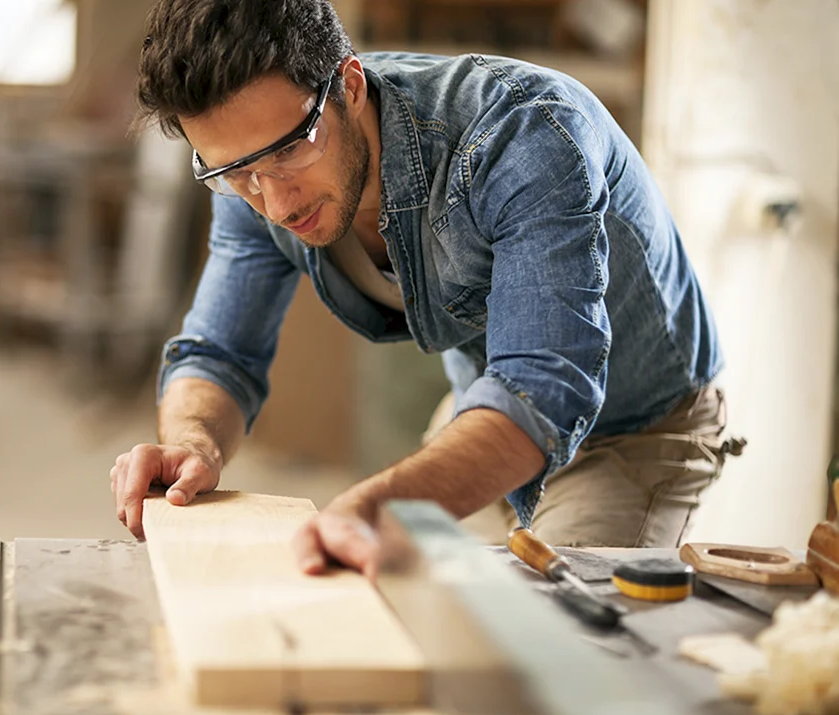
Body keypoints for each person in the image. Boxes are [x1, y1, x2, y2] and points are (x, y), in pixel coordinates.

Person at [110, 0, 743, 579]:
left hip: (633, 426)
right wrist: (193, 441)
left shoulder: (525, 137)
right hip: (484, 401)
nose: (272, 202)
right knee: (408, 602)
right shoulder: (254, 165)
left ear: (350, 87)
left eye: (289, 153)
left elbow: (542, 389)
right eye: (235, 173)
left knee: (557, 641)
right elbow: (218, 352)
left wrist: (374, 504)